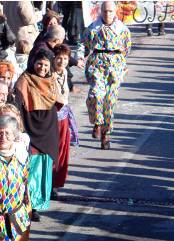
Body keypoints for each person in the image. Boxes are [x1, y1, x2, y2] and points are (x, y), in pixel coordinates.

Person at [13, 49, 63, 222]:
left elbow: (59, 101)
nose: (42, 67)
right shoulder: (24, 80)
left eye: (46, 65)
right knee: (31, 168)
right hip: (29, 127)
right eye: (39, 63)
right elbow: (17, 104)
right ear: (33, 63)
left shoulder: (52, 80)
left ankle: (38, 203)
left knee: (43, 167)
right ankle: (29, 205)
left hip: (48, 128)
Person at [76, 1, 131, 150]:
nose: (107, 14)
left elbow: (126, 48)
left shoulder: (122, 30)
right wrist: (80, 57)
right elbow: (83, 44)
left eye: (110, 11)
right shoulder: (93, 28)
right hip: (97, 66)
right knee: (95, 95)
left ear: (116, 12)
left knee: (109, 102)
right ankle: (97, 122)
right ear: (101, 11)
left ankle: (106, 133)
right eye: (105, 11)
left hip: (115, 69)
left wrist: (117, 60)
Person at [0, 104, 32, 241]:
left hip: (19, 194)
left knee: (21, 229)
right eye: (3, 118)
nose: (6, 122)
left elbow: (25, 170)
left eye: (11, 118)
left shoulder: (23, 140)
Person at [51, 43, 79, 199]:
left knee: (62, 152)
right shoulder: (49, 74)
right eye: (58, 58)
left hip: (64, 117)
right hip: (51, 118)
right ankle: (49, 185)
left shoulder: (65, 73)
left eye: (65, 58)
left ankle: (56, 184)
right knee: (52, 152)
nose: (61, 62)